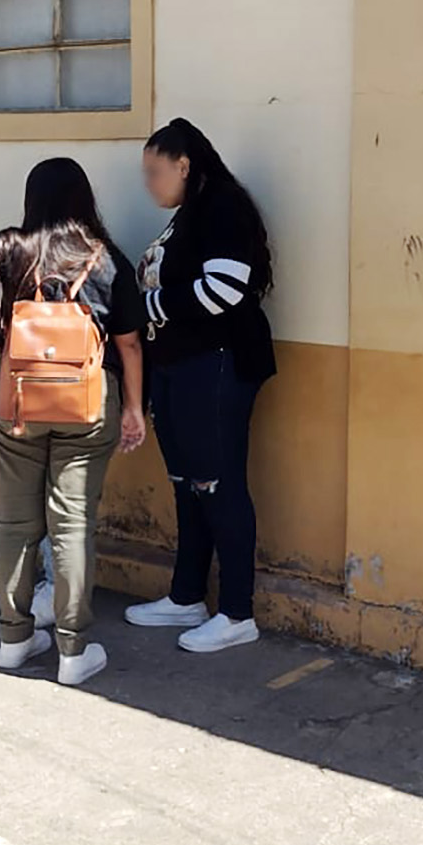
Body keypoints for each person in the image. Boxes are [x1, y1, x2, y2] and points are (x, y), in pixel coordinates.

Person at [0, 159, 145, 687]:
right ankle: (74, 653)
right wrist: (134, 409)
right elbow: (128, 342)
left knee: (14, 523)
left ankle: (13, 639)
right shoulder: (104, 258)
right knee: (72, 525)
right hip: (87, 403)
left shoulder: (8, 247)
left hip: (17, 403)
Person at [125, 119, 276, 653]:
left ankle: (237, 612)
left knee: (219, 484)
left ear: (184, 165)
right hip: (176, 368)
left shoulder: (224, 208)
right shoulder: (190, 214)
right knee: (188, 484)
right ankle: (186, 595)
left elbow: (224, 289)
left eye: (154, 171)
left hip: (215, 366)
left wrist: (146, 307)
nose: (148, 183)